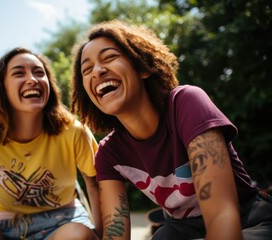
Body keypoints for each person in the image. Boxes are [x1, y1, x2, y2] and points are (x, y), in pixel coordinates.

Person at [70, 20, 272, 240]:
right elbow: (115, 235)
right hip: (179, 229)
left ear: (143, 67)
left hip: (249, 218)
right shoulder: (108, 154)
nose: (97, 71)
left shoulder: (186, 102)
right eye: (87, 69)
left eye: (109, 57)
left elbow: (222, 216)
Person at [0, 47, 101, 240]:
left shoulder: (74, 130)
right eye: (19, 73)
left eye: (39, 73)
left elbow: (94, 185)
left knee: (78, 236)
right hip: (3, 224)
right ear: (1, 87)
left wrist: (101, 235)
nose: (32, 79)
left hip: (64, 219)